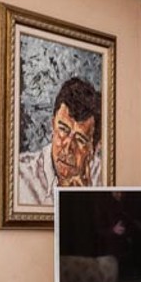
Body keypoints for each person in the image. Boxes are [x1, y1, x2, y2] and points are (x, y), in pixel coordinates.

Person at [15, 75, 103, 208]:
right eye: (63, 129)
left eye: (80, 139)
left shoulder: (103, 177)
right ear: (52, 125)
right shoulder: (21, 177)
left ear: (95, 148)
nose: (68, 147)